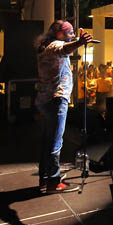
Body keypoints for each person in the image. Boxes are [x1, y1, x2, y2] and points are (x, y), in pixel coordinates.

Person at [35, 20, 93, 193]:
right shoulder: (55, 45)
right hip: (56, 99)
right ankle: (54, 182)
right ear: (60, 33)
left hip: (45, 100)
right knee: (55, 142)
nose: (73, 35)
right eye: (70, 32)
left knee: (47, 141)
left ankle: (44, 179)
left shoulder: (45, 46)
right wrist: (80, 43)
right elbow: (64, 49)